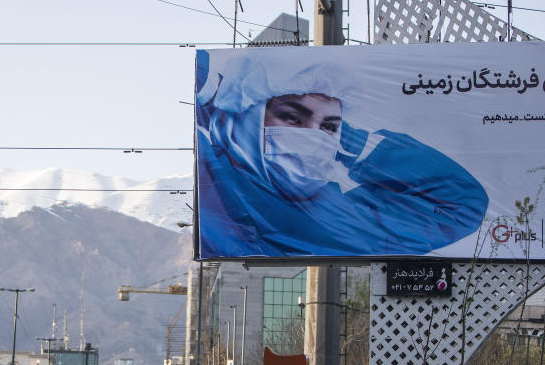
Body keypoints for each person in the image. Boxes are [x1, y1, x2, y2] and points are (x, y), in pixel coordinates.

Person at [195, 51, 488, 258]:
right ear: (244, 118)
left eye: (329, 127)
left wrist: (345, 140)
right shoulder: (213, 180)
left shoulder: (331, 218)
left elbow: (460, 204)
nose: (312, 138)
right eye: (293, 118)